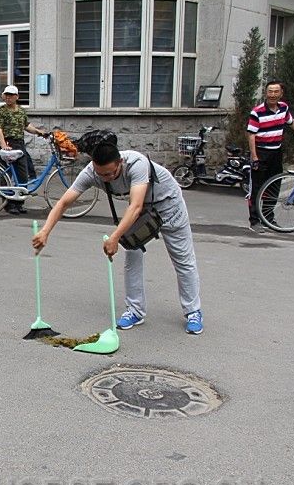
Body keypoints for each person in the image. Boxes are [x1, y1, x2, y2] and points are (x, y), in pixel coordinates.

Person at [32, 130, 203, 335]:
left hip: (168, 204)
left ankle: (193, 312)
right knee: (132, 253)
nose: (106, 178)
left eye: (111, 174)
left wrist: (114, 237)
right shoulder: (91, 173)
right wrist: (45, 231)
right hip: (141, 210)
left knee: (182, 258)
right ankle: (135, 310)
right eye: (101, 174)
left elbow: (136, 206)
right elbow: (64, 203)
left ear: (120, 162)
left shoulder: (137, 164)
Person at [246, 80, 294, 233]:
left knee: (274, 186)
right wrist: (254, 157)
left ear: (281, 93)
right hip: (261, 152)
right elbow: (251, 135)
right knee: (257, 188)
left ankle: (268, 218)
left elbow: (291, 122)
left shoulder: (283, 108)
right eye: (270, 91)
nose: (272, 94)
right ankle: (254, 221)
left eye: (276, 92)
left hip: (276, 152)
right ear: (266, 93)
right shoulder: (257, 112)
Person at [0, 85, 47, 215]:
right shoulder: (1, 111)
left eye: (11, 95)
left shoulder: (21, 111)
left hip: (19, 145)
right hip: (7, 143)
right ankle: (7, 204)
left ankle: (19, 203)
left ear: (17, 97)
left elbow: (26, 126)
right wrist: (3, 145)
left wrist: (38, 132)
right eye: (6, 95)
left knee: (22, 174)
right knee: (6, 176)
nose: (8, 97)